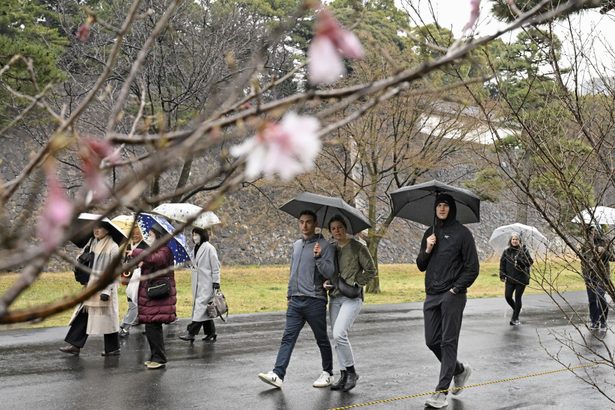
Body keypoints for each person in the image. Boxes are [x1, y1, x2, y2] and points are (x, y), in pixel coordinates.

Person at [258, 210, 336, 389]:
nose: (304, 226)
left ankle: (328, 373)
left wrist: (318, 257)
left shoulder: (325, 246)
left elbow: (330, 273)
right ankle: (278, 374)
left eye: (308, 222)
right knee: (287, 338)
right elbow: (292, 272)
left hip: (315, 300)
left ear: (316, 224)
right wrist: (289, 295)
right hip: (295, 301)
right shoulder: (296, 245)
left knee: (321, 339)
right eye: (301, 222)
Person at [416, 193, 479, 409]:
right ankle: (459, 370)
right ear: (435, 209)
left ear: (451, 208)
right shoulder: (429, 232)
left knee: (448, 342)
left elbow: (473, 268)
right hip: (432, 294)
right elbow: (420, 265)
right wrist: (428, 248)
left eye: (446, 206)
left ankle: (441, 393)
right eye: (439, 205)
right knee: (431, 341)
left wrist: (455, 289)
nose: (442, 209)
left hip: (452, 295)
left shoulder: (463, 234)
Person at [323, 215, 376, 392]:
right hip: (335, 297)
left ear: (345, 228)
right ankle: (344, 374)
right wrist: (325, 282)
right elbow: (326, 270)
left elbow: (371, 270)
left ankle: (352, 372)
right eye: (333, 228)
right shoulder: (330, 248)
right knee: (337, 340)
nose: (337, 231)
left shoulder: (358, 247)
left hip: (352, 298)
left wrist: (356, 282)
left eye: (339, 227)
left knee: (339, 334)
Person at [60, 221, 121, 356]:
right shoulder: (91, 243)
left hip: (105, 287)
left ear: (107, 230)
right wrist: (83, 256)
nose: (96, 230)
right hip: (90, 285)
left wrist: (107, 291)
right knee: (84, 313)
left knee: (108, 318)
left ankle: (113, 348)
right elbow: (80, 258)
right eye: (95, 227)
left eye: (100, 228)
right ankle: (75, 344)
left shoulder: (113, 247)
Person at [131, 223, 177, 369]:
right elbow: (151, 263)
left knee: (153, 327)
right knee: (151, 327)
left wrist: (136, 252)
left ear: (158, 235)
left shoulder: (165, 250)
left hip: (158, 294)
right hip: (151, 294)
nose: (149, 236)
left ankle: (159, 358)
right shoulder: (156, 250)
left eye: (151, 234)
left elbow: (156, 260)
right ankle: (155, 356)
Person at [179, 227, 221, 342]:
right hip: (197, 282)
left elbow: (215, 267)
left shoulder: (209, 248)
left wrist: (216, 282)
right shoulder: (195, 248)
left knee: (200, 307)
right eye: (193, 235)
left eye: (196, 235)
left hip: (207, 283)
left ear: (202, 235)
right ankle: (211, 333)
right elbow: (195, 263)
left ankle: (191, 332)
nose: (194, 237)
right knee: (204, 309)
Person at [580, 225, 613, 331]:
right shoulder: (586, 242)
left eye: (595, 229)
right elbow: (583, 258)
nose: (593, 232)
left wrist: (604, 251)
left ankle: (603, 321)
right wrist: (585, 272)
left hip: (602, 275)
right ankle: (594, 321)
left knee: (600, 296)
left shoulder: (605, 241)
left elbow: (613, 257)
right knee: (592, 299)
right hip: (589, 274)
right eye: (591, 230)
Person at [119, 225, 148, 337]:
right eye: (133, 233)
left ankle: (125, 326)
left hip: (139, 279)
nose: (135, 235)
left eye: (138, 233)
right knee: (134, 302)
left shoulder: (145, 246)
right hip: (129, 277)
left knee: (134, 303)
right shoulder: (128, 246)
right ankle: (142, 321)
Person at [499, 233, 533, 326]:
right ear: (510, 241)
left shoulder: (524, 250)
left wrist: (520, 261)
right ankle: (516, 310)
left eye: (516, 239)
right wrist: (502, 275)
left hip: (521, 278)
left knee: (518, 297)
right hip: (510, 278)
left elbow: (529, 262)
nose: (514, 241)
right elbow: (502, 264)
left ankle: (515, 318)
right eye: (513, 239)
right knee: (508, 296)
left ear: (520, 241)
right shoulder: (506, 251)